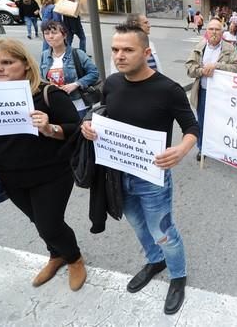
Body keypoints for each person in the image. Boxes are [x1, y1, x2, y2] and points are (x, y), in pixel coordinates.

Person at [81, 23, 198, 315]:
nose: (119, 55)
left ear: (146, 52)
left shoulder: (168, 90)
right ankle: (154, 260)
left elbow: (192, 127)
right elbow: (103, 114)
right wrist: (89, 127)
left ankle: (177, 276)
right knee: (138, 225)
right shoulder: (111, 83)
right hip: (118, 175)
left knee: (162, 230)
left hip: (153, 177)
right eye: (115, 49)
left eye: (128, 50)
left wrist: (182, 149)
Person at [0, 38, 86, 290]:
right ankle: (56, 254)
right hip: (9, 175)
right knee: (38, 222)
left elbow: (76, 128)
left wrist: (50, 128)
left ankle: (74, 258)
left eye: (7, 62)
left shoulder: (47, 93)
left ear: (26, 65)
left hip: (51, 173)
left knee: (49, 223)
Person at [185, 18, 237, 161]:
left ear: (222, 32)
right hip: (203, 92)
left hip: (221, 94)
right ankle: (202, 148)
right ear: (206, 32)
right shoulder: (200, 47)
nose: (214, 32)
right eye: (211, 29)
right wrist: (202, 71)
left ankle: (218, 147)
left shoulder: (229, 48)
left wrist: (217, 66)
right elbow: (189, 69)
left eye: (217, 29)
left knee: (220, 122)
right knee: (202, 122)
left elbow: (236, 68)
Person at [40, 20, 99, 118]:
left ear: (64, 35)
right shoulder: (44, 55)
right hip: (56, 105)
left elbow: (94, 73)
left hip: (78, 105)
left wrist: (76, 84)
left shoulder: (78, 53)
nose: (50, 36)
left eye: (54, 32)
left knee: (80, 131)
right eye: (46, 33)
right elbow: (42, 78)